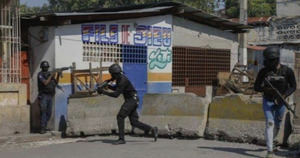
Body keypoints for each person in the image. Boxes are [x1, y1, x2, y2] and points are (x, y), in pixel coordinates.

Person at [97, 64, 158, 145]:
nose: (111, 76)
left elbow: (116, 94)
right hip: (133, 100)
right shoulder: (119, 78)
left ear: (115, 73)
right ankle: (152, 129)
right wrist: (108, 86)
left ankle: (121, 139)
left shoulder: (122, 80)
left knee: (120, 116)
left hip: (131, 100)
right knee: (134, 122)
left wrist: (103, 92)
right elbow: (117, 88)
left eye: (112, 74)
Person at [254, 47, 297, 158]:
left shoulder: (287, 71)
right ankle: (270, 151)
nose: (268, 63)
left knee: (277, 124)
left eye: (271, 60)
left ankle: (271, 141)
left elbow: (293, 86)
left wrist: (283, 95)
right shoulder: (264, 71)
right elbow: (256, 87)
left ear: (277, 59)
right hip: (268, 101)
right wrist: (266, 90)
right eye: (267, 60)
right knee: (270, 123)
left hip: (281, 102)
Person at [38, 61, 58, 134]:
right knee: (43, 112)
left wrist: (57, 75)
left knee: (49, 113)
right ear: (42, 67)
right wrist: (51, 75)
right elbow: (45, 83)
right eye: (44, 67)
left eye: (46, 67)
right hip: (43, 95)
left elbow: (55, 83)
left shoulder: (49, 74)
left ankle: (44, 126)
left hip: (50, 95)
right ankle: (42, 128)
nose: (46, 68)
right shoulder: (40, 74)